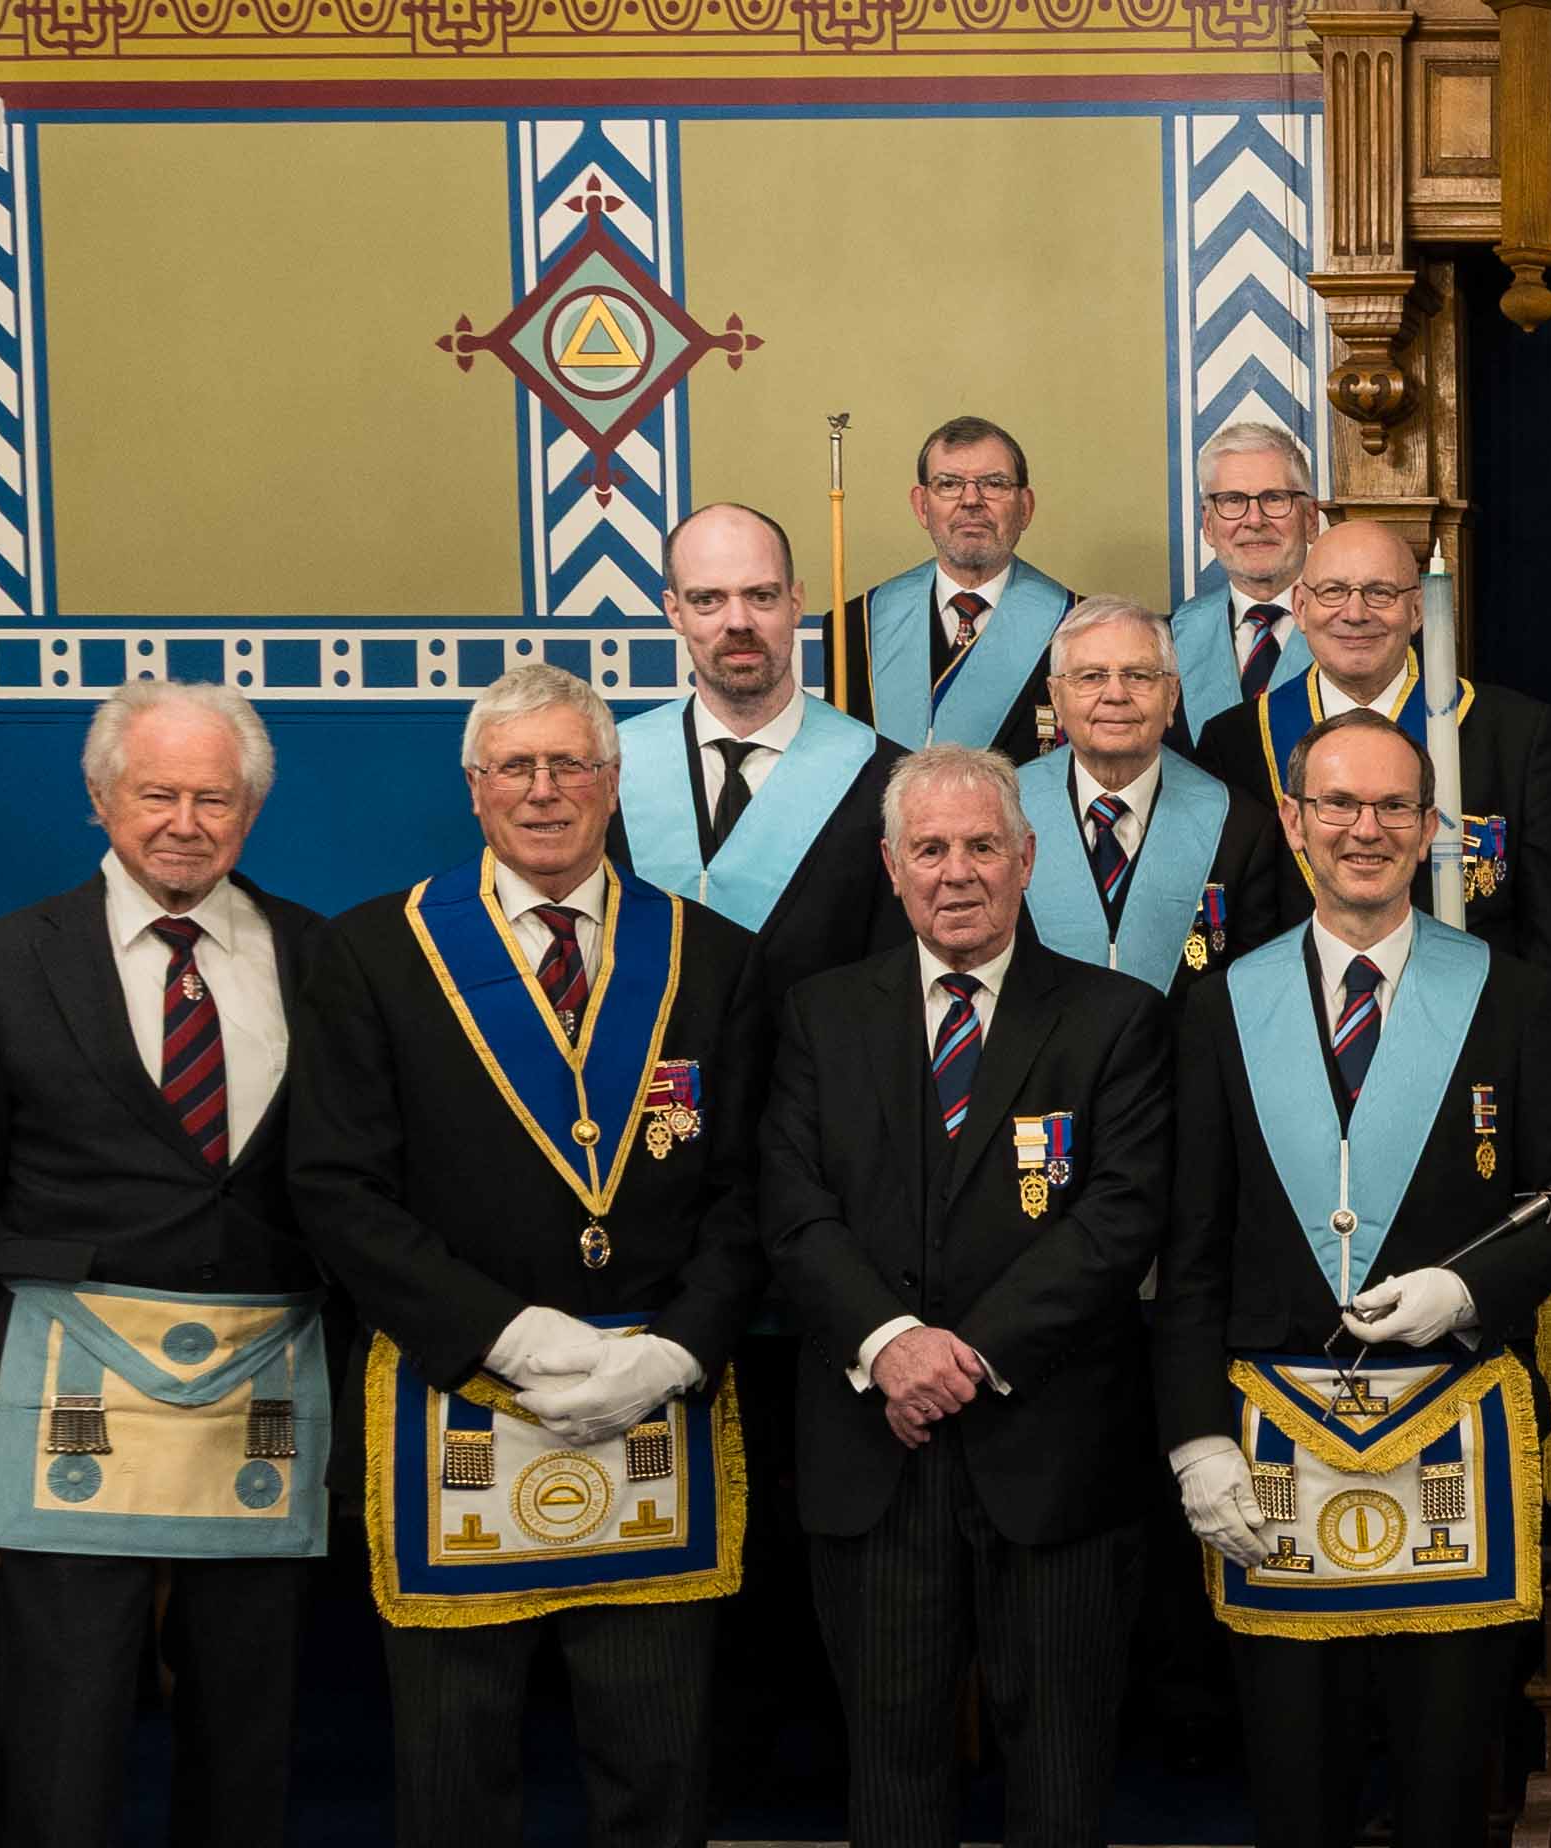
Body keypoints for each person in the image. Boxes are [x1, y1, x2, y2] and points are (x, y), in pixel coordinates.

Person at [290, 663, 769, 1848]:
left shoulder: (711, 957)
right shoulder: (375, 952)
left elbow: (755, 1190)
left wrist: (679, 1350)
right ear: (475, 787)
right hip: (457, 1395)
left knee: (659, 1765)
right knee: (454, 1778)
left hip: (658, 1405)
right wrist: (504, 1333)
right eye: (516, 767)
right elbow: (338, 1190)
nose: (544, 790)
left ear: (613, 781)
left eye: (570, 765)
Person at [0, 681, 325, 1847]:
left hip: (266, 1399)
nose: (185, 823)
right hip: (64, 1397)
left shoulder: (321, 954)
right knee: (65, 1732)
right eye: (156, 794)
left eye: (214, 799)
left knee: (247, 1731)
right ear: (100, 799)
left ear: (251, 811)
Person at [1157, 710, 1551, 1848]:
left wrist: (1468, 1291)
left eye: (1394, 805)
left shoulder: (1510, 992)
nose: (1367, 829)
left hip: (1454, 1421)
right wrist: (1195, 1440)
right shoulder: (1220, 1003)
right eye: (1340, 804)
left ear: (1432, 825)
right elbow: (1190, 1244)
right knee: (1295, 1792)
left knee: (1447, 1790)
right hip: (1272, 1446)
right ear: (1293, 820)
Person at [758, 746, 1173, 1848]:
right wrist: (891, 1344)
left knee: (1063, 1778)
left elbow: (1120, 1219)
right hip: (873, 1459)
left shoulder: (1117, 1018)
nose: (957, 873)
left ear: (1027, 859)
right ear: (891, 867)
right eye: (931, 849)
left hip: (1055, 1459)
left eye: (982, 845)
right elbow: (791, 1209)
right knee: (892, 1776)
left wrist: (968, 1358)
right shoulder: (818, 1016)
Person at [1195, 519, 1551, 1005]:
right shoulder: (1234, 743)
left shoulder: (1513, 733)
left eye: (1380, 593)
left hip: (1472, 1018)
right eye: (1333, 591)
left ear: (1418, 609)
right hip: (1293, 1022)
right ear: (1300, 606)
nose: (1355, 613)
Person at [612, 502, 910, 1004]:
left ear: (796, 602)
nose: (738, 621)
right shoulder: (609, 773)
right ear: (673, 611)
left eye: (761, 596)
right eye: (707, 599)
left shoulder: (885, 781)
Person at [1024, 593, 1294, 997]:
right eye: (1091, 677)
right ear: (1056, 699)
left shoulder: (1240, 827)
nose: (1115, 694)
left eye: (1139, 676)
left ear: (1172, 697)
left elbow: (1249, 990)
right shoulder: (1003, 813)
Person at [831, 415, 1082, 762]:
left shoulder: (1078, 626)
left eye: (994, 484)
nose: (971, 500)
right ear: (921, 506)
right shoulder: (855, 626)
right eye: (948, 484)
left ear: (1025, 508)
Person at [1168, 420, 1325, 740]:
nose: (1254, 520)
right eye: (1233, 500)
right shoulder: (1168, 641)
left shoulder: (1358, 630)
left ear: (1310, 519)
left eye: (1275, 498)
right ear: (1208, 525)